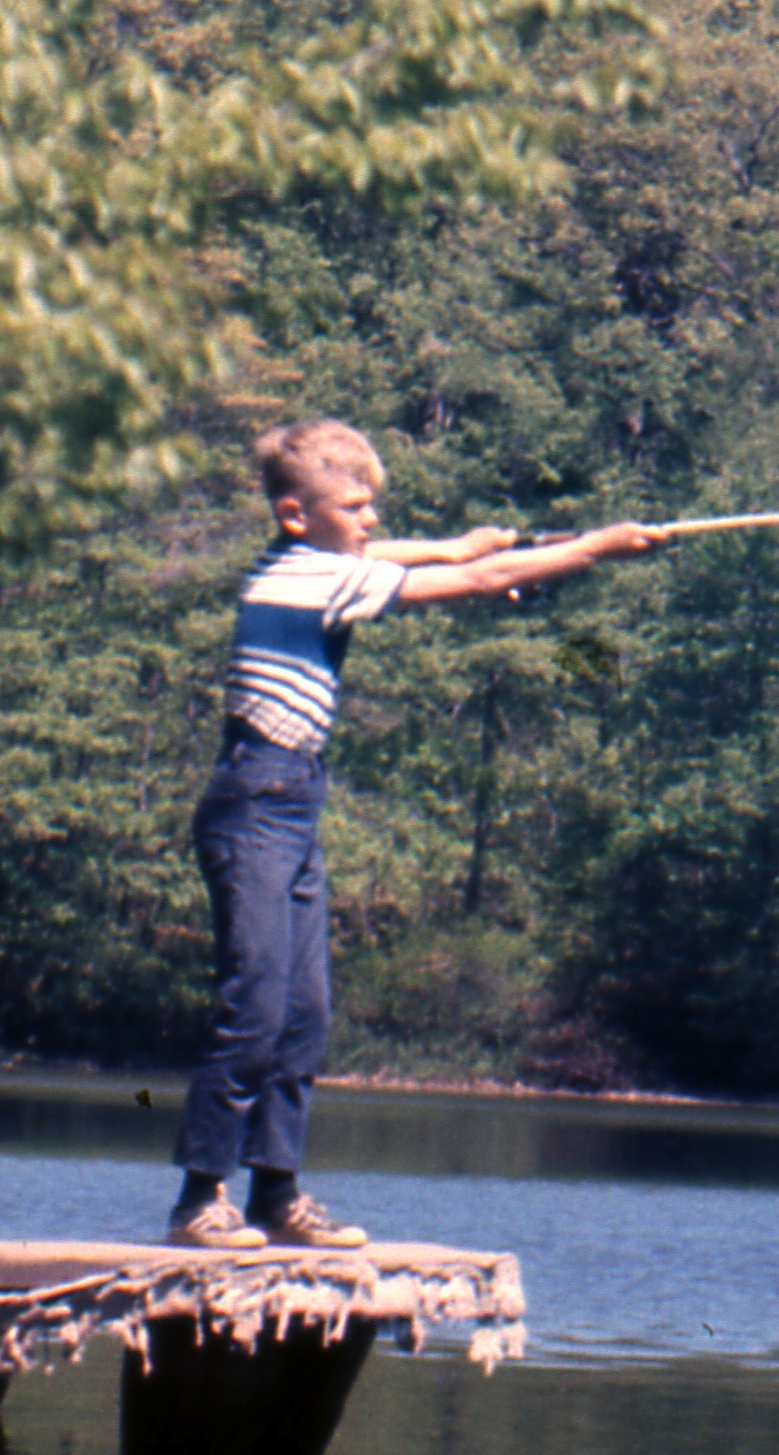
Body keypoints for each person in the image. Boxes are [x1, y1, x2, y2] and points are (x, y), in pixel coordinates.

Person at [168, 419, 658, 1247]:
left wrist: (460, 541)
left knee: (304, 1011)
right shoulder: (305, 578)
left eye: (371, 507)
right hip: (252, 799)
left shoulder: (314, 557)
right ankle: (198, 1200)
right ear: (296, 514)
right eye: (354, 507)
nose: (367, 519)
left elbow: (422, 553)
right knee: (253, 1002)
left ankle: (277, 1195)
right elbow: (481, 580)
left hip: (292, 800)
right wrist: (595, 548)